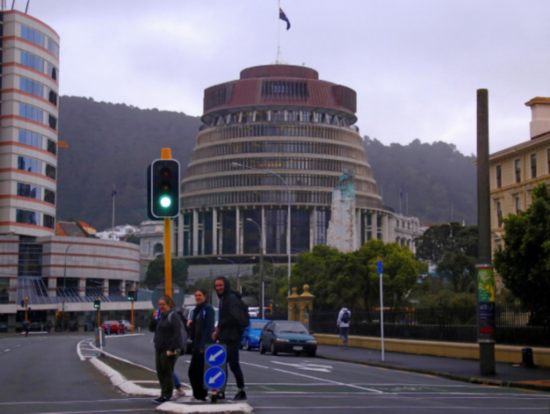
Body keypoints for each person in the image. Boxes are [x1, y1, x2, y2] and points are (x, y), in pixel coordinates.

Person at [212, 277, 247, 401]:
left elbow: (234, 317)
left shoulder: (230, 299)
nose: (218, 288)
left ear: (226, 285)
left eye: (220, 285)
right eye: (216, 286)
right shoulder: (224, 299)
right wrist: (218, 330)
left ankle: (241, 391)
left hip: (231, 337)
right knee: (224, 364)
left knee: (233, 364)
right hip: (226, 336)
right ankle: (222, 391)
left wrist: (221, 325)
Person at [149, 295, 184, 404]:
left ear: (169, 304)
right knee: (160, 372)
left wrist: (172, 348)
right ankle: (163, 393)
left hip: (169, 348)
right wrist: (154, 319)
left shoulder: (173, 316)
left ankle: (167, 395)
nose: (161, 306)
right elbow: (151, 329)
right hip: (159, 347)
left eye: (163, 304)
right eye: (159, 304)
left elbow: (176, 333)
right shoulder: (161, 317)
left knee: (167, 371)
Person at [185, 289, 215, 401]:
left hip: (203, 345)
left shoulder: (208, 309)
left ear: (205, 296)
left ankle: (201, 395)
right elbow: (197, 324)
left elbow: (209, 328)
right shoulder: (197, 309)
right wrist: (191, 323)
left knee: (199, 371)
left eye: (200, 295)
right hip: (196, 344)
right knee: (193, 371)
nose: (197, 297)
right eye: (196, 295)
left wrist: (204, 345)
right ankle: (197, 394)